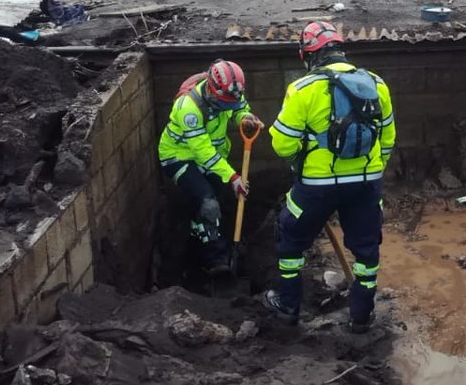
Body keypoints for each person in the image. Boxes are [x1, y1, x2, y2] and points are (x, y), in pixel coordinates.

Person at [263, 21, 396, 331]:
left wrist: (305, 159)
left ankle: (287, 307)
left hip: (317, 186)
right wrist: (371, 172)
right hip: (366, 183)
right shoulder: (377, 84)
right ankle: (361, 317)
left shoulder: (302, 89)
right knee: (366, 251)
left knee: (290, 241)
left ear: (308, 55)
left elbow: (282, 145)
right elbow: (387, 138)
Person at [158, 60, 263, 275]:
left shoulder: (232, 92)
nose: (229, 104)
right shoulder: (188, 109)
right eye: (224, 102)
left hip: (213, 158)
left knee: (216, 201)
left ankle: (201, 230)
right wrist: (233, 177)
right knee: (209, 203)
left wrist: (245, 119)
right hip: (179, 157)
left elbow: (239, 108)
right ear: (211, 90)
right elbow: (203, 152)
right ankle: (215, 261)